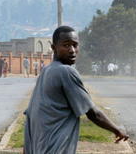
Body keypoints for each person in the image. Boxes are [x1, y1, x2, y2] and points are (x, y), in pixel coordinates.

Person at [24, 26, 128, 154]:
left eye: (75, 45)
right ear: (53, 48)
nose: (72, 50)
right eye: (66, 45)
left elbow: (31, 114)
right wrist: (117, 130)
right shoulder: (66, 72)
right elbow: (92, 113)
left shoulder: (47, 70)